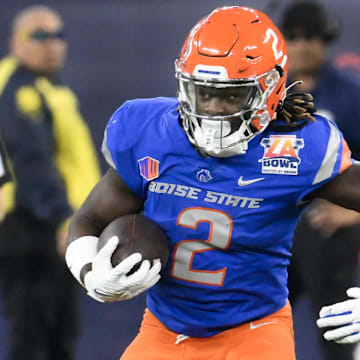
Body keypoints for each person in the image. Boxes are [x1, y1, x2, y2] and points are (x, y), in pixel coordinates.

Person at [65, 6, 360, 360]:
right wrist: (90, 274)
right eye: (204, 93)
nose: (214, 109)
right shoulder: (149, 133)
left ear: (270, 90)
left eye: (231, 95)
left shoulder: (297, 148)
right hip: (163, 330)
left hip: (255, 332)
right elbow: (89, 220)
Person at [0, 5, 100, 360]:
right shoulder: (18, 92)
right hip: (35, 227)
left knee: (58, 336)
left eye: (58, 35)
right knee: (36, 340)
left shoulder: (46, 87)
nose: (51, 44)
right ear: (16, 41)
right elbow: (31, 165)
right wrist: (64, 220)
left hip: (55, 226)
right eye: (39, 36)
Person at [280, 2, 360, 359]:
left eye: (310, 36)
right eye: (292, 37)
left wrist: (353, 214)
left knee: (337, 329)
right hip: (271, 227)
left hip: (327, 229)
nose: (301, 45)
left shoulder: (350, 94)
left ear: (325, 40)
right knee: (253, 318)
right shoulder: (264, 93)